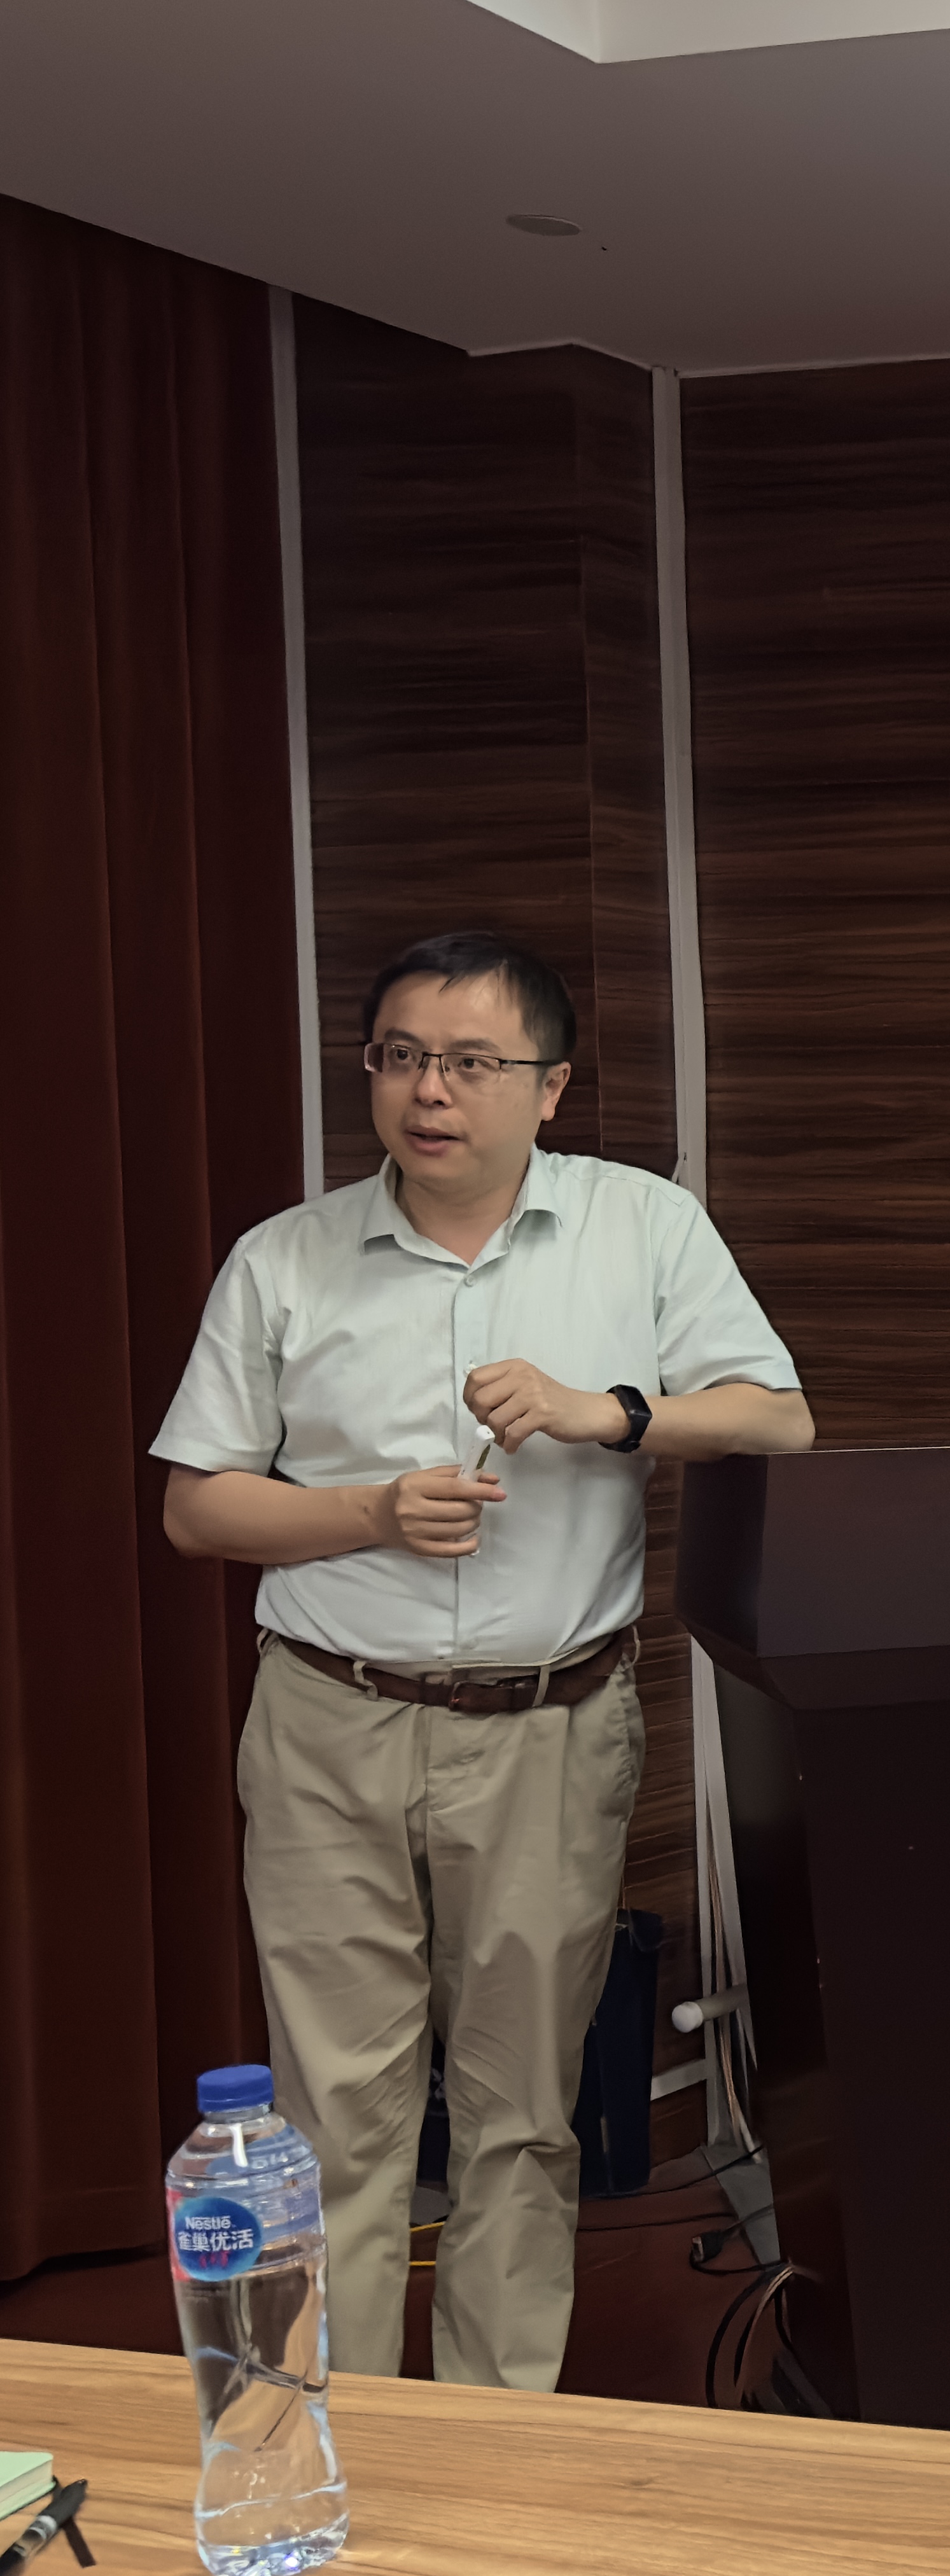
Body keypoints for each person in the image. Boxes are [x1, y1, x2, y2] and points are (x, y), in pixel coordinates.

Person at [152, 931, 812, 2389]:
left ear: (550, 1085)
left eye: (469, 1061)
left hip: (547, 1727)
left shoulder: (641, 1226)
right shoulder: (284, 1257)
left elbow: (777, 1415)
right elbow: (198, 1507)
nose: (428, 1091)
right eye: (399, 1056)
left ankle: (492, 2431)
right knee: (337, 2114)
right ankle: (324, 2428)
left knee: (521, 2111)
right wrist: (370, 1512)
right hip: (328, 1720)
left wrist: (608, 1411)